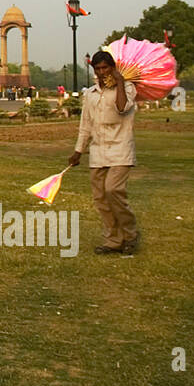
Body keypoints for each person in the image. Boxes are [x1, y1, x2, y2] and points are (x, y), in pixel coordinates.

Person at [68, 51, 140, 255]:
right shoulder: (90, 93)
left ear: (113, 68)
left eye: (105, 68)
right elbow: (86, 124)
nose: (101, 72)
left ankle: (131, 234)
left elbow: (122, 108)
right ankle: (113, 240)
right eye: (97, 69)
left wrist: (119, 82)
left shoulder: (127, 88)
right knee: (100, 198)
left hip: (120, 148)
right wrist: (78, 151)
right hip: (98, 150)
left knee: (113, 190)